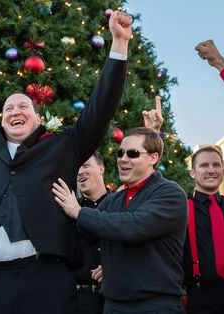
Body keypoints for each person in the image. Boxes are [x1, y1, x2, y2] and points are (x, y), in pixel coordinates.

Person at [0, 10, 132, 314]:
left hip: (45, 277)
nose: (15, 111)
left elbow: (101, 107)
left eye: (23, 106)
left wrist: (119, 44)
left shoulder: (64, 146)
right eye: (9, 107)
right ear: (1, 118)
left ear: (37, 118)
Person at [54, 127, 187, 313]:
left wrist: (79, 212)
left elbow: (134, 227)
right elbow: (82, 231)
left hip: (156, 306)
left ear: (153, 158)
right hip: (113, 306)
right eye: (120, 153)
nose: (123, 159)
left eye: (132, 153)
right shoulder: (112, 201)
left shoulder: (170, 194)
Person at [184, 145, 224, 314]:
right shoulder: (181, 210)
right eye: (204, 165)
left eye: (216, 165)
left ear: (223, 171)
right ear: (192, 173)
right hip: (201, 297)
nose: (211, 170)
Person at [74, 151, 108, 314]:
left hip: (117, 298)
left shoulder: (121, 206)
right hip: (81, 301)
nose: (80, 171)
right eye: (77, 168)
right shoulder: (69, 210)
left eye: (86, 165)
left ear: (101, 168)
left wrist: (113, 266)